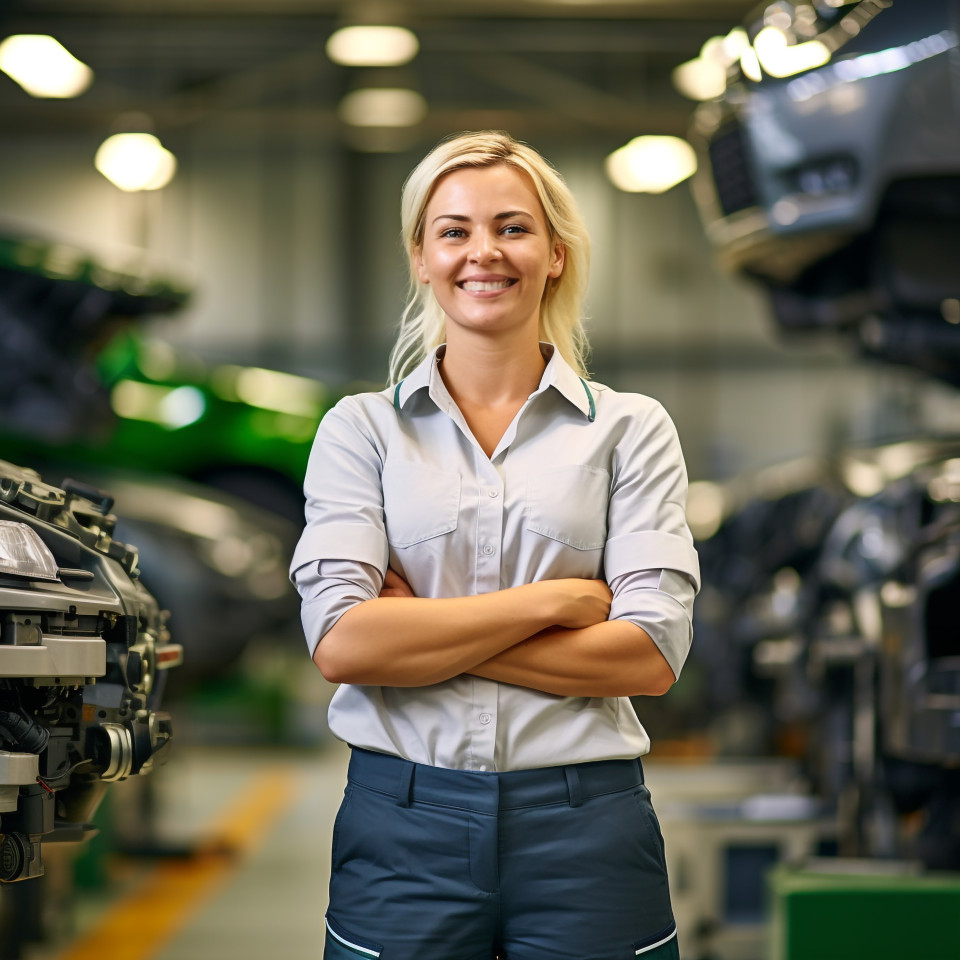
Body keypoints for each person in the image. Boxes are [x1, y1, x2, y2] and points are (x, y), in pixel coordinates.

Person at [290, 130, 700, 960]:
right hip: (401, 826)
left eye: (513, 227)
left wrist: (419, 633)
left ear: (555, 253)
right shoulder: (359, 431)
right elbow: (342, 645)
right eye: (454, 230)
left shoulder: (631, 429)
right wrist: (552, 604)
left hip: (589, 831)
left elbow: (648, 657)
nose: (485, 252)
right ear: (421, 256)